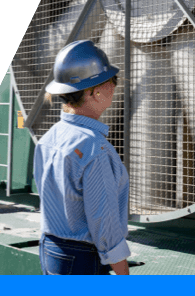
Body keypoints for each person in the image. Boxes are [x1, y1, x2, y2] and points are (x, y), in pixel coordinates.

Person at [34, 40, 131, 275]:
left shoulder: (50, 137)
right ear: (95, 91)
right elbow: (103, 223)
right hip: (82, 260)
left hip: (50, 249)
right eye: (112, 82)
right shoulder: (94, 148)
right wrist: (123, 273)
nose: (115, 87)